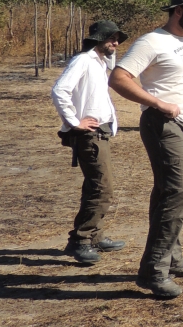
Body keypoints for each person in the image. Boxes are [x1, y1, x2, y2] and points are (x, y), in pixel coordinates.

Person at [109, 0, 183, 299]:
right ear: (178, 11)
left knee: (167, 192)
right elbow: (119, 78)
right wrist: (158, 103)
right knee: (178, 192)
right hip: (162, 124)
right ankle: (153, 270)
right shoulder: (151, 41)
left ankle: (173, 258)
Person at [51, 20, 129, 265]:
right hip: (89, 135)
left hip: (100, 132)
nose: (116, 43)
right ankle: (81, 240)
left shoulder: (99, 62)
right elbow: (59, 90)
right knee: (101, 188)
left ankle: (94, 236)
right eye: (111, 39)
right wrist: (75, 122)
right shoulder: (84, 60)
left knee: (97, 186)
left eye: (117, 39)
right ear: (99, 39)